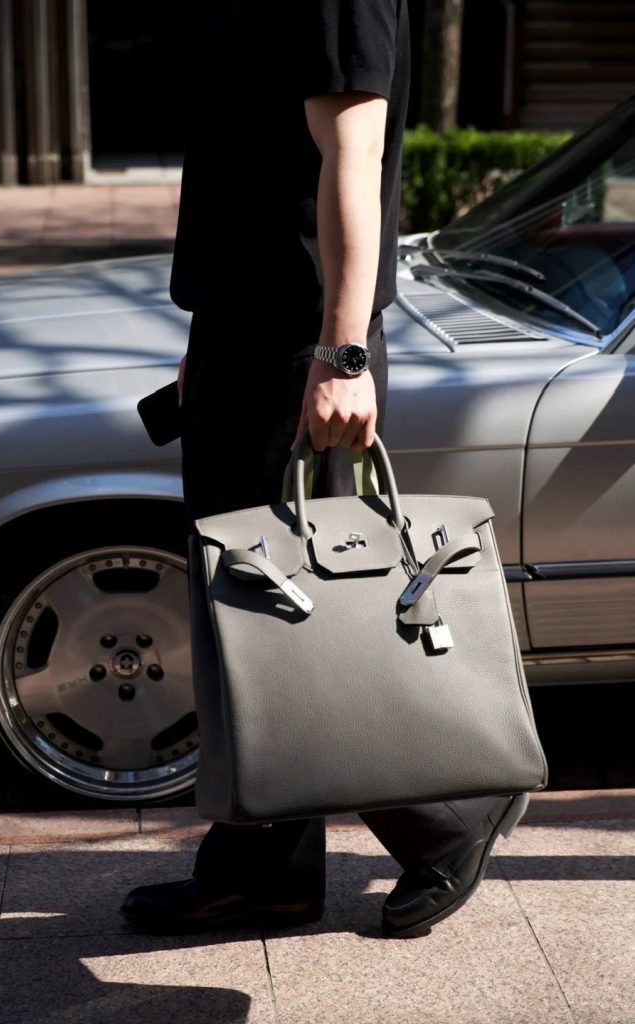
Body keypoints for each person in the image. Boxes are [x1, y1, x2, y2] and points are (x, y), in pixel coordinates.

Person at [121, 0, 527, 939]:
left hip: (295, 348)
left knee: (298, 619)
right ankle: (261, 868)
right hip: (242, 334)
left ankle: (448, 822)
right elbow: (245, 168)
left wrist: (341, 354)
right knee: (246, 624)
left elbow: (352, 154)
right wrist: (206, 334)